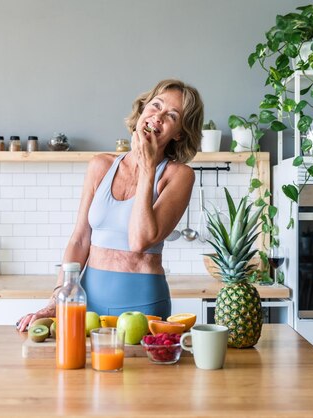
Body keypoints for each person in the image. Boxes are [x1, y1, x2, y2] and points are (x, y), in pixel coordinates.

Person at [17, 79, 204, 332]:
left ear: (179, 132)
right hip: (89, 299)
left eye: (171, 115)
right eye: (155, 106)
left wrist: (148, 168)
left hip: (144, 303)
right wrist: (58, 297)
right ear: (142, 109)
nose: (157, 117)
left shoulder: (179, 176)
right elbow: (80, 240)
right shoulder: (100, 165)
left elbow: (140, 241)